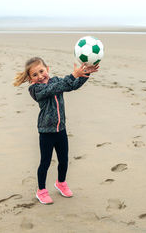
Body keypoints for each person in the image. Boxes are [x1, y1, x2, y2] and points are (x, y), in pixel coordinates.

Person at [14, 57, 98, 204]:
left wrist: (85, 74)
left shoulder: (56, 81)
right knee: (45, 162)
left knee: (64, 160)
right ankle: (41, 191)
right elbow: (53, 89)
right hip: (46, 132)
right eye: (35, 75)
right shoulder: (35, 89)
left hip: (61, 129)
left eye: (41, 71)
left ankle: (61, 183)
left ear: (48, 69)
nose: (40, 76)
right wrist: (72, 75)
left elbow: (72, 85)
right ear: (30, 78)